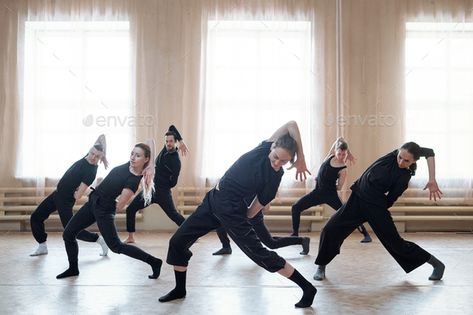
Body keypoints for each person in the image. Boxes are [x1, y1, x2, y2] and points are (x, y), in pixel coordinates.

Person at [159, 121, 317, 308]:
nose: (277, 163)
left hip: (232, 213)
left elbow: (253, 211)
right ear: (272, 146)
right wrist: (301, 157)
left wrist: (237, 219)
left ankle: (308, 288)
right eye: (276, 157)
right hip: (212, 202)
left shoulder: (274, 178)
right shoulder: (263, 148)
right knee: (177, 242)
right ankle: (180, 289)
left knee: (261, 254)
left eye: (284, 162)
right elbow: (291, 124)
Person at [313, 142, 445, 282]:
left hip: (376, 207)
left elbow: (391, 198)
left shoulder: (404, 177)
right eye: (400, 157)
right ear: (397, 152)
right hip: (356, 200)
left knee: (396, 244)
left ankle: (436, 264)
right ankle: (321, 265)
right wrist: (432, 179)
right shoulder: (392, 156)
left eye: (406, 161)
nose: (401, 162)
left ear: (413, 161)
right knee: (330, 229)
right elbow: (429, 151)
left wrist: (378, 210)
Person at [56, 141, 162, 280]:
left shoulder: (133, 180)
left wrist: (105, 207)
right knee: (68, 234)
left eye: (137, 156)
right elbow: (150, 142)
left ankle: (154, 261)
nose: (132, 157)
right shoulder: (130, 165)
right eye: (132, 154)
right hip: (93, 202)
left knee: (116, 247)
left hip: (104, 210)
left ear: (145, 159)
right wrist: (152, 165)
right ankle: (73, 268)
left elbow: (120, 205)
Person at [30, 135, 109, 257]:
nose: (93, 157)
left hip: (65, 200)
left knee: (71, 229)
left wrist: (74, 193)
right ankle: (42, 246)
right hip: (56, 195)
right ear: (90, 150)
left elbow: (78, 196)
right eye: (92, 153)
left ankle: (99, 240)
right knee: (36, 217)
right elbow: (100, 139)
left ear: (100, 157)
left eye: (97, 156)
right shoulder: (87, 157)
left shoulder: (91, 171)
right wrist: (103, 153)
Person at [291, 137, 371, 242]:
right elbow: (339, 139)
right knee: (296, 207)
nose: (342, 157)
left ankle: (366, 235)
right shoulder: (329, 156)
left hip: (330, 196)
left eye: (344, 154)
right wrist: (321, 180)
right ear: (335, 151)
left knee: (348, 214)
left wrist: (326, 183)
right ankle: (295, 234)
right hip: (317, 193)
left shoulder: (343, 169)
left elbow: (339, 187)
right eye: (339, 154)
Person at [124, 125, 188, 243]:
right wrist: (182, 141)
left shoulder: (175, 161)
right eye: (167, 141)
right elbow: (172, 127)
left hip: (163, 192)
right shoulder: (165, 149)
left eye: (171, 141)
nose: (168, 143)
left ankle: (192, 233)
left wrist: (162, 183)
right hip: (150, 190)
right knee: (131, 209)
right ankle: (131, 237)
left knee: (174, 215)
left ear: (175, 143)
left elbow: (173, 182)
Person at [212, 208, 310, 256]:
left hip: (253, 216)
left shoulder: (257, 178)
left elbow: (265, 205)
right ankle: (226, 247)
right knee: (219, 220)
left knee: (271, 243)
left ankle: (301, 240)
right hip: (240, 214)